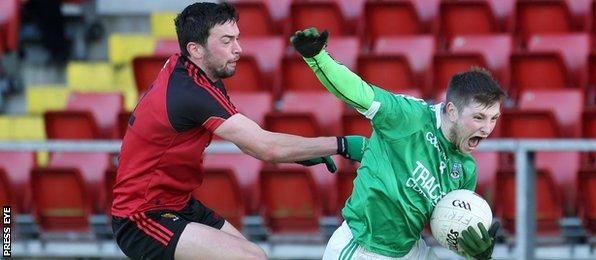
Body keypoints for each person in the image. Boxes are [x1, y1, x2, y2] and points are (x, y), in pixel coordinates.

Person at [110, 4, 366, 260]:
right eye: (226, 41)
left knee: (255, 255)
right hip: (141, 216)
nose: (238, 49)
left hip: (177, 204)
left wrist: (297, 153)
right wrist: (342, 144)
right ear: (195, 49)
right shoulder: (193, 92)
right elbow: (266, 147)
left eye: (237, 38)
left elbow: (251, 141)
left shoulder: (194, 73)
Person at [290, 28, 506, 260]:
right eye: (479, 118)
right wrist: (317, 57)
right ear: (452, 111)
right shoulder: (408, 117)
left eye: (494, 118)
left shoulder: (465, 169)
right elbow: (357, 91)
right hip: (363, 248)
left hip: (410, 250)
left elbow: (448, 223)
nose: (487, 128)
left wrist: (475, 253)